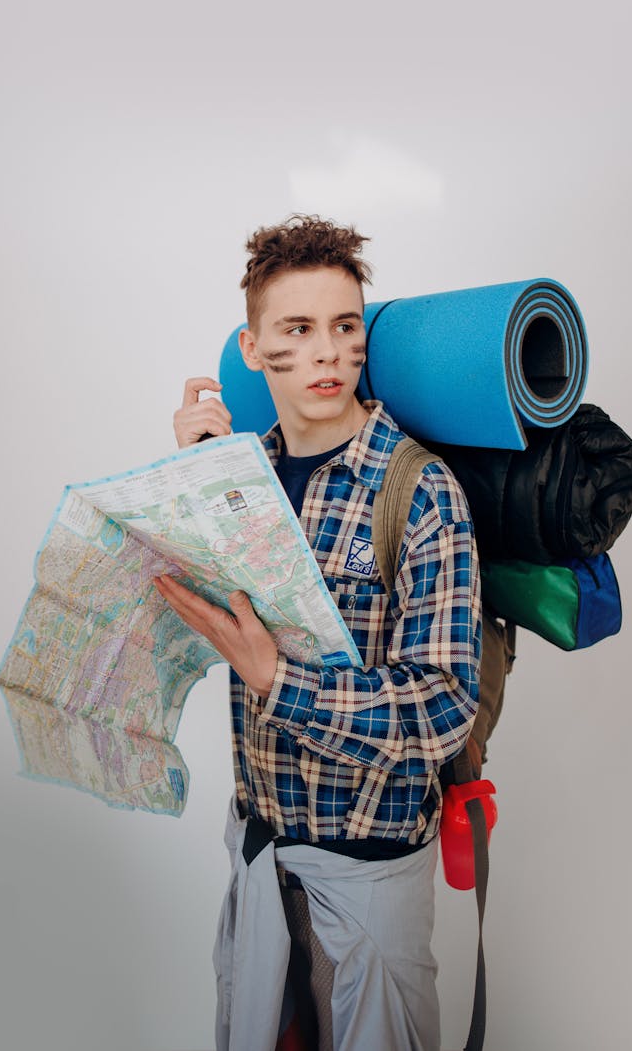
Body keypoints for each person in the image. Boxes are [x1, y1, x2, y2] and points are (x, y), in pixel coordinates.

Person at [154, 214, 481, 1051]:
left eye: (344, 327)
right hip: (260, 862)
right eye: (298, 330)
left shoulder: (422, 492)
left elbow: (445, 706)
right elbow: (179, 633)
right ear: (254, 346)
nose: (328, 352)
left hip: (369, 885)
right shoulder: (242, 478)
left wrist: (281, 681)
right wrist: (190, 483)